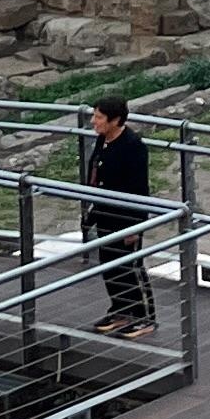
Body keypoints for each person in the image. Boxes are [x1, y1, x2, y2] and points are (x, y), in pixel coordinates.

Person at [81, 97, 155, 337]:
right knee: (109, 265)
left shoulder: (133, 146)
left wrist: (136, 226)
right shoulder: (103, 140)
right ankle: (121, 309)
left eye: (99, 117)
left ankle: (145, 317)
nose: (94, 121)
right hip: (105, 214)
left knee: (130, 266)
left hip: (126, 218)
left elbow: (139, 189)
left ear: (115, 120)